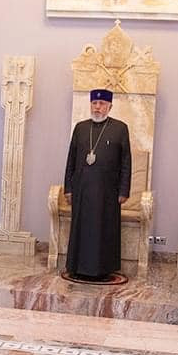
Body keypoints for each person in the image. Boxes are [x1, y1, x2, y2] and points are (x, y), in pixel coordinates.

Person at [62, 88, 131, 280]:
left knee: (103, 229)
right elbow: (71, 160)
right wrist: (68, 188)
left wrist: (124, 190)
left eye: (102, 104)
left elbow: (126, 161)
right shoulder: (81, 128)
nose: (97, 107)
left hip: (107, 192)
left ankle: (102, 269)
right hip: (82, 190)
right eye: (94, 103)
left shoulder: (120, 128)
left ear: (110, 106)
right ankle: (77, 266)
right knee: (81, 229)